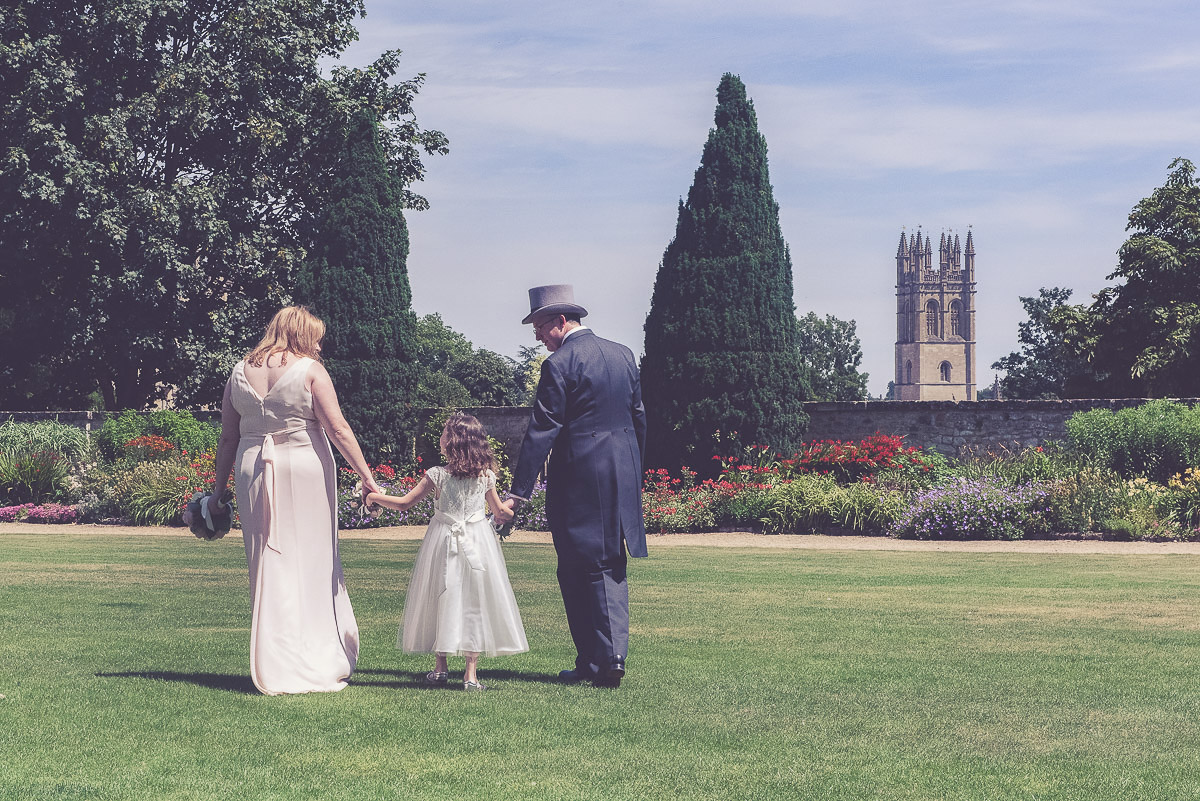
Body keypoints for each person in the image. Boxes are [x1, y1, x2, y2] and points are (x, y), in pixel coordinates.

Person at [208, 306, 381, 695]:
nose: (319, 344)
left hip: (253, 468)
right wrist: (367, 477)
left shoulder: (238, 372)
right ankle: (312, 656)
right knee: (312, 563)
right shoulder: (309, 370)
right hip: (303, 467)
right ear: (300, 334)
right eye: (316, 336)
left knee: (267, 562)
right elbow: (337, 428)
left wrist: (218, 493)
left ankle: (275, 657)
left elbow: (228, 439)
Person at [504, 284, 647, 688]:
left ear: (560, 322)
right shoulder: (624, 355)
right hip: (621, 474)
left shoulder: (559, 365)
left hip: (580, 477)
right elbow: (639, 419)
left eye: (538, 327)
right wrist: (634, 471)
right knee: (609, 564)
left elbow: (542, 430)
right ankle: (610, 656)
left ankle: (594, 660)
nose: (536, 336)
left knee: (574, 567)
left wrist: (519, 491)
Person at [366, 413, 527, 691]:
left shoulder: (437, 475)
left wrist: (373, 496)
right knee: (474, 601)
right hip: (478, 542)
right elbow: (500, 512)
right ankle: (471, 675)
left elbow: (405, 504)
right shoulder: (486, 476)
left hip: (443, 540)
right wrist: (516, 501)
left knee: (442, 594)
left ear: (452, 441)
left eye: (443, 433)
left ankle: (441, 668)